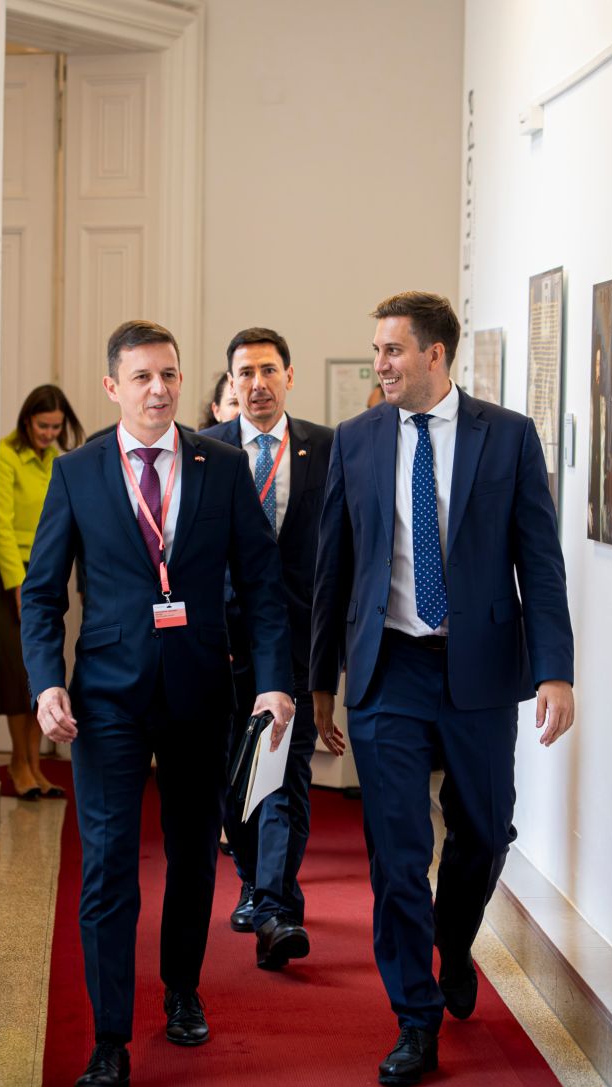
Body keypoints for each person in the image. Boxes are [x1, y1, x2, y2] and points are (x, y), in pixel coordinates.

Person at [21, 319, 295, 1087]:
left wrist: (274, 680)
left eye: (169, 374)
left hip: (199, 689)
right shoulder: (77, 472)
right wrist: (45, 683)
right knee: (108, 865)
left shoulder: (221, 465)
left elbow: (264, 585)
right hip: (105, 698)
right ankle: (109, 1039)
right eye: (142, 376)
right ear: (113, 386)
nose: (159, 389)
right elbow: (41, 594)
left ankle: (182, 989)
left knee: (192, 853)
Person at [311, 291, 576, 1087]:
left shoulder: (508, 437)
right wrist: (319, 681)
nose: (380, 364)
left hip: (480, 667)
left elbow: (540, 560)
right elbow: (332, 567)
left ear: (435, 354)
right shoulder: (356, 439)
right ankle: (414, 1018)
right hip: (388, 667)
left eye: (392, 350)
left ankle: (452, 942)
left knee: (486, 831)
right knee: (397, 851)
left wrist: (555, 669)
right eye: (377, 350)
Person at [201, 327, 335, 969]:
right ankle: (256, 883)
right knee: (233, 777)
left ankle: (277, 906)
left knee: (285, 771)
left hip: (300, 639)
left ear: (289, 376)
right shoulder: (205, 451)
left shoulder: (326, 448)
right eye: (244, 374)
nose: (257, 384)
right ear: (231, 383)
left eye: (268, 371)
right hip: (221, 642)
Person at [0, 383, 82, 798]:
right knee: (18, 675)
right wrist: (17, 583)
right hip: (14, 576)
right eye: (43, 426)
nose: (49, 434)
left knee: (40, 672)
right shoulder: (7, 455)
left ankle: (34, 763)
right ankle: (19, 762)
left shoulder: (57, 462)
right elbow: (2, 523)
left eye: (55, 427)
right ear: (27, 420)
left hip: (47, 573)